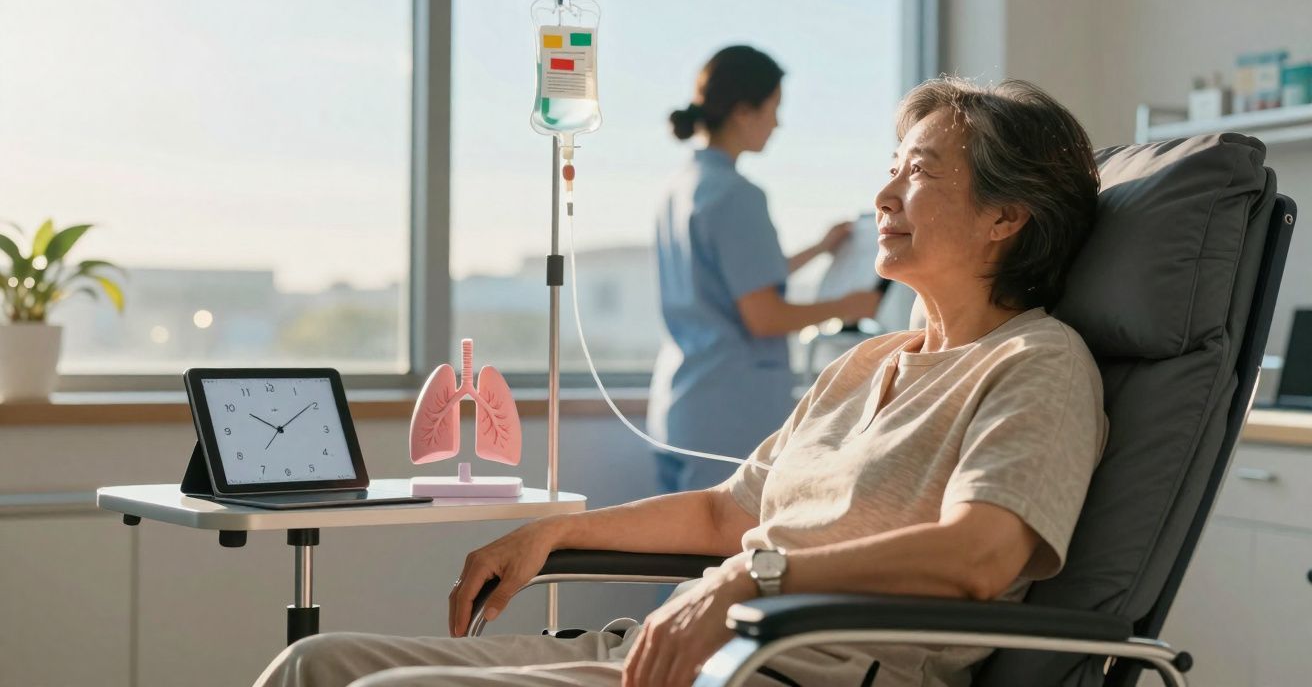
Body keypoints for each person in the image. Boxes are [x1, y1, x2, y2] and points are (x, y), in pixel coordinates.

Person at [255, 76, 1107, 687]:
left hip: (790, 669)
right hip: (675, 647)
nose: (883, 193)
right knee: (315, 664)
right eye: (891, 166)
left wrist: (749, 578)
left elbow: (979, 557)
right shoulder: (865, 362)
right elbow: (725, 511)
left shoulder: (1038, 365)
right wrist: (554, 532)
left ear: (1006, 216)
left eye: (916, 172)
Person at [650, 44, 884, 493]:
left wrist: (819, 248)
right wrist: (851, 304)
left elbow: (733, 278)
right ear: (743, 111)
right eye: (774, 108)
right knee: (722, 559)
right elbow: (764, 318)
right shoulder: (737, 195)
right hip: (727, 412)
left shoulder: (681, 187)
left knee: (677, 560)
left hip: (682, 408)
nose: (777, 123)